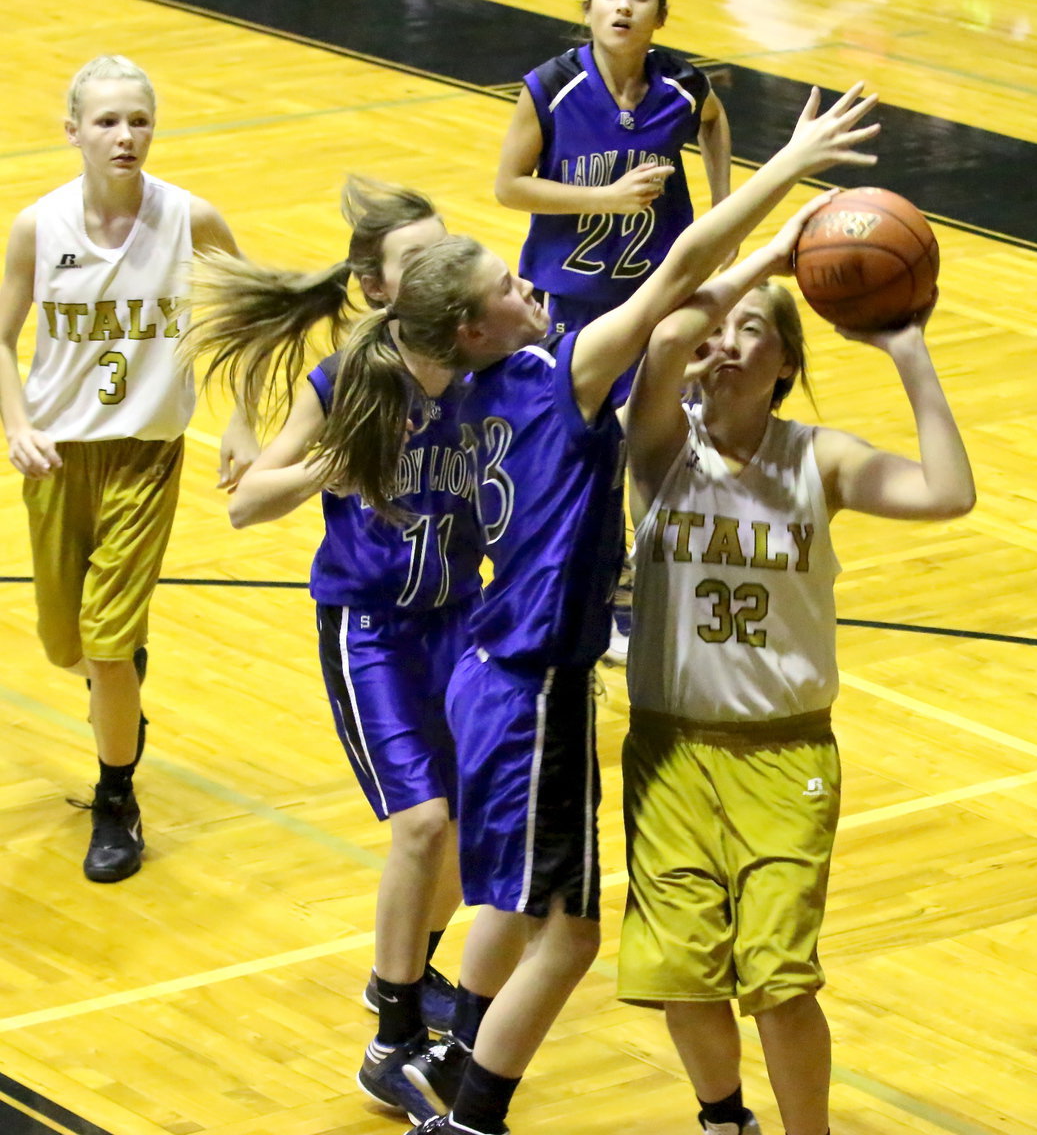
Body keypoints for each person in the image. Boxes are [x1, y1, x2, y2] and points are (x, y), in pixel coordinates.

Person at [264, 84, 876, 1135]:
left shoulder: (478, 387)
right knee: (569, 936)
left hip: (498, 675)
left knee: (521, 910)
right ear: (476, 325)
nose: (528, 283)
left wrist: (766, 264)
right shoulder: (554, 379)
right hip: (530, 688)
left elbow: (675, 308)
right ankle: (469, 1112)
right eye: (510, 284)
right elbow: (675, 276)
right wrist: (786, 171)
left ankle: (449, 1059)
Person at [616, 236, 974, 1133]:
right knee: (681, 974)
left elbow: (948, 493)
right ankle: (722, 1119)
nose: (727, 343)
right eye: (716, 328)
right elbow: (661, 344)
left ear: (785, 362)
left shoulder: (819, 459)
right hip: (667, 749)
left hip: (784, 753)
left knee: (778, 979)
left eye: (752, 329)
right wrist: (737, 281)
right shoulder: (656, 446)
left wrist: (907, 350)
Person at [186, 177, 479, 1122]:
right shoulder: (349, 382)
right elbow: (245, 504)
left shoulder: (484, 366)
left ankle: (404, 977)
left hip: (461, 619)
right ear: (377, 286)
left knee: (469, 831)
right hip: (373, 628)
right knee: (422, 825)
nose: (442, 269)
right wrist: (332, 462)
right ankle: (392, 1039)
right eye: (418, 260)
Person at [0, 54, 256, 884]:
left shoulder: (191, 219)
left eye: (138, 120)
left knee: (107, 646)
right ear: (72, 131)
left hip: (145, 456)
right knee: (65, 646)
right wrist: (17, 424)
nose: (125, 136)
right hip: (58, 457)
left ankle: (117, 799)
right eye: (106, 121)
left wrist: (244, 420)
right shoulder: (38, 227)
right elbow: (1, 338)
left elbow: (251, 321)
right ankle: (118, 686)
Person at [494, 0, 733, 667]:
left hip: (656, 299)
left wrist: (721, 211)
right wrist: (603, 198)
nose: (623, 6)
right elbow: (509, 186)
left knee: (654, 450)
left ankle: (641, 597)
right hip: (573, 306)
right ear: (590, 6)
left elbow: (714, 121)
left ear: (661, 14)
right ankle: (564, 589)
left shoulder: (682, 86)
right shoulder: (550, 88)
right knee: (580, 455)